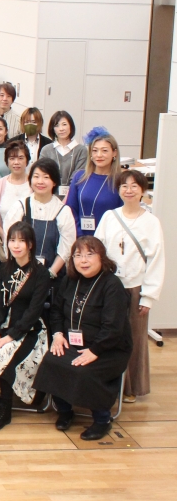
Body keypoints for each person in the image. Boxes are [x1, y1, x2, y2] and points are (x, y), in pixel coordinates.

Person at [33, 236, 132, 441]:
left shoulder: (112, 285)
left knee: (85, 370)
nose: (83, 260)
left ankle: (102, 420)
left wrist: (95, 351)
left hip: (108, 348)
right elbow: (56, 311)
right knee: (52, 360)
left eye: (89, 254)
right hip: (72, 342)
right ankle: (65, 411)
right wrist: (58, 335)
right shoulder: (70, 280)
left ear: (102, 257)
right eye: (78, 255)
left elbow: (113, 327)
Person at [0, 221, 51, 431]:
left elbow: (33, 311)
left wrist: (10, 336)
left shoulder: (41, 273)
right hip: (4, 327)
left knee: (6, 353)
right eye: (12, 240)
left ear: (30, 244)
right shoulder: (3, 269)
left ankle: (5, 409)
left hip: (30, 330)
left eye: (21, 241)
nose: (16, 245)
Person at [95, 170, 165, 401]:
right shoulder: (109, 217)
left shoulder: (151, 222)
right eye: (124, 186)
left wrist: (149, 296)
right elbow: (98, 250)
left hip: (136, 288)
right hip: (110, 287)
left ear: (143, 190)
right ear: (118, 190)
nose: (129, 190)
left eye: (135, 186)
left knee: (135, 339)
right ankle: (106, 383)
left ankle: (131, 387)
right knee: (107, 335)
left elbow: (156, 260)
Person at [3, 158, 76, 285]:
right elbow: (8, 240)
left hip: (52, 278)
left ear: (54, 182)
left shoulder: (63, 211)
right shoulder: (20, 206)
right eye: (36, 176)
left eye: (46, 177)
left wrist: (50, 273)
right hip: (19, 276)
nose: (40, 181)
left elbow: (67, 247)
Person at [65, 129, 123, 238]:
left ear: (114, 153)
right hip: (79, 239)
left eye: (104, 151)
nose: (99, 155)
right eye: (95, 150)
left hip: (108, 240)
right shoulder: (80, 177)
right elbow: (70, 209)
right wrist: (80, 236)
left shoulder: (120, 181)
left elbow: (123, 216)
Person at [0, 140, 33, 264]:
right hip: (4, 242)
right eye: (12, 158)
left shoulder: (34, 184)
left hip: (30, 244)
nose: (16, 162)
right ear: (7, 161)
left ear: (27, 160)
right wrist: (4, 235)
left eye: (20, 158)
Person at [40, 110, 87, 198]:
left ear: (71, 126)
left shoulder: (81, 150)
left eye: (64, 124)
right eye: (56, 125)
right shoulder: (46, 150)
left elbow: (79, 176)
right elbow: (43, 174)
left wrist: (67, 198)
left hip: (74, 196)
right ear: (52, 129)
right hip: (49, 196)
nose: (61, 129)